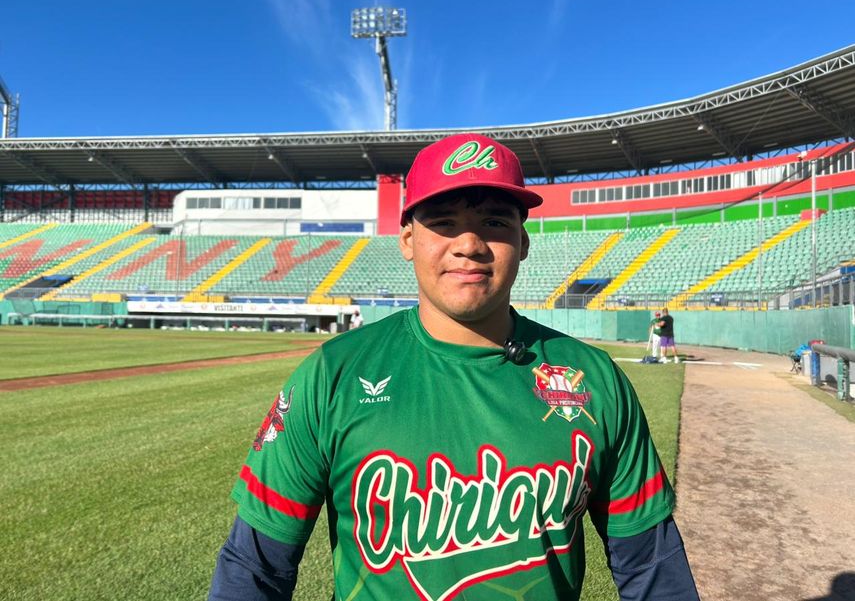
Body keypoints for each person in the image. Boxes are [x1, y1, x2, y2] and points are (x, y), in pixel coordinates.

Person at [208, 133, 699, 601]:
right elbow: (256, 566)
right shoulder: (331, 374)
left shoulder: (594, 378)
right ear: (407, 240)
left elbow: (650, 565)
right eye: (443, 222)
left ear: (523, 243)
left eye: (495, 223)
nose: (469, 244)